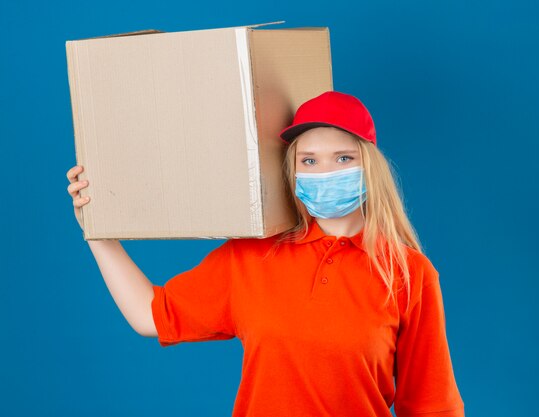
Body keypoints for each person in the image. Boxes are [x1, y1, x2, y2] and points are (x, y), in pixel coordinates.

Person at [66, 91, 465, 417]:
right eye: (309, 160)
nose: (324, 172)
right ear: (293, 171)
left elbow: (431, 406)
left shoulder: (408, 273)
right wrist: (97, 233)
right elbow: (148, 314)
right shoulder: (251, 257)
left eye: (343, 158)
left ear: (370, 167)